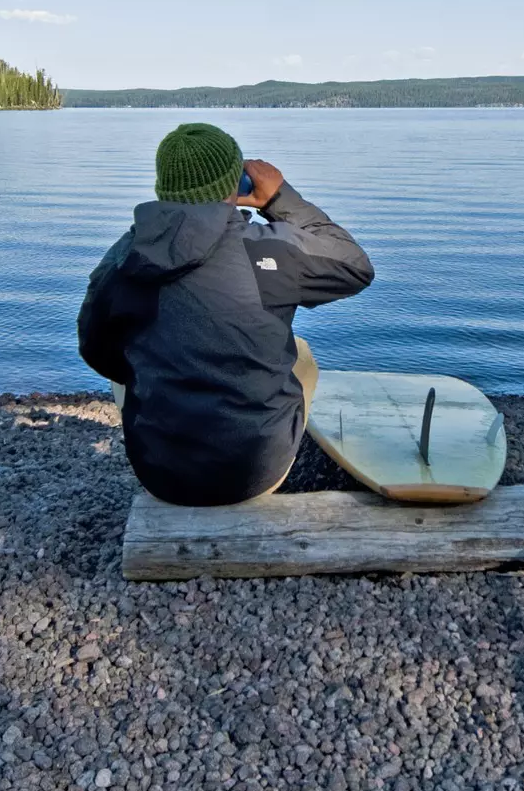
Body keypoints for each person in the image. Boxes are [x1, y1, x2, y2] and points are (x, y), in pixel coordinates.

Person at [78, 122, 374, 505]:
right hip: (254, 474)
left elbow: (94, 349)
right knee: (300, 353)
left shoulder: (124, 258)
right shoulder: (268, 251)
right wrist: (278, 200)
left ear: (162, 186)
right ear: (235, 184)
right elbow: (355, 266)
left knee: (131, 353)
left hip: (159, 475)